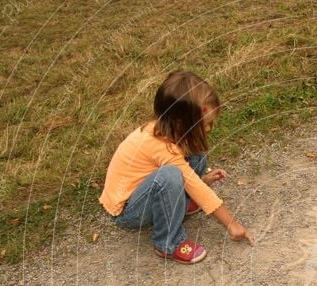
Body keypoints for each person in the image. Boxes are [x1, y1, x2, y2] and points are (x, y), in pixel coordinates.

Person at [99, 71, 253, 264]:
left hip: (146, 190)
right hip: (129, 211)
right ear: (182, 122)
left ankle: (181, 203)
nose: (208, 129)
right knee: (170, 175)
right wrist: (232, 224)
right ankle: (167, 243)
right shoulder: (160, 147)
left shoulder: (168, 129)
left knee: (195, 153)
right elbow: (194, 186)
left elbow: (191, 177)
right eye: (205, 124)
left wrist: (202, 181)